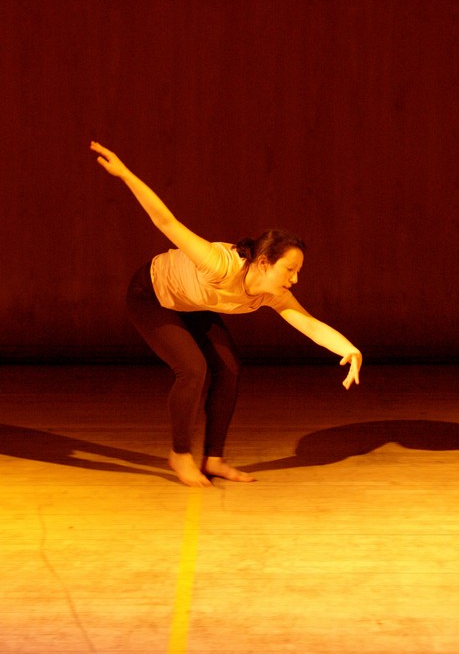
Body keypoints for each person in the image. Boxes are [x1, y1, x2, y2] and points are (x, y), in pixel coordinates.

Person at [90, 141, 362, 487]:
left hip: (192, 303)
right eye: (290, 269)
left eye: (298, 272)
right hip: (151, 295)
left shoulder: (273, 293)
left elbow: (308, 324)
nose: (295, 279)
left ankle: (213, 459)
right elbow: (166, 222)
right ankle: (180, 454)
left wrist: (348, 349)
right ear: (263, 263)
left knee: (229, 368)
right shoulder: (219, 265)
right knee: (193, 369)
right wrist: (125, 174)